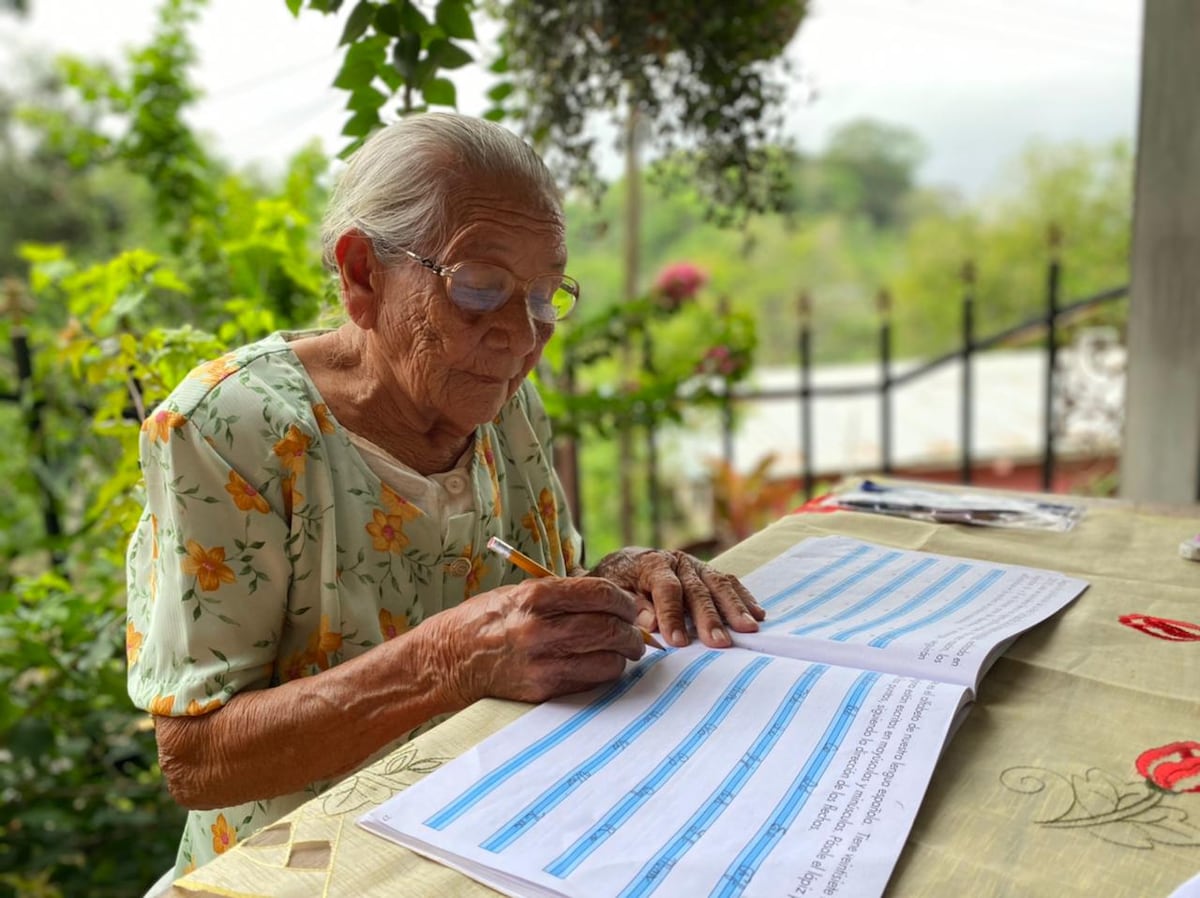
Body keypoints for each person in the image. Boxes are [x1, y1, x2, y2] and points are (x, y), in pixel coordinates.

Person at [125, 112, 765, 879]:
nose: (521, 337)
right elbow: (196, 762)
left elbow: (532, 587)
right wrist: (447, 662)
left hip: (506, 836)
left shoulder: (499, 394)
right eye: (480, 286)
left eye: (540, 297)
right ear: (362, 273)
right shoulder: (232, 430)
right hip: (309, 873)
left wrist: (622, 576)